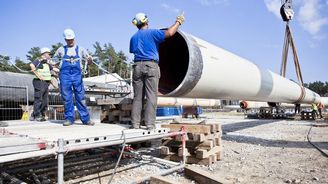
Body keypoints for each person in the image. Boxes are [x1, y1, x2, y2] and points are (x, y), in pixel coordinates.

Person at [129, 12, 185, 130]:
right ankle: (149, 125)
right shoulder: (153, 33)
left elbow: (133, 50)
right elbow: (170, 32)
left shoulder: (133, 37)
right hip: (151, 66)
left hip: (137, 67)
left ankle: (135, 124)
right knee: (151, 96)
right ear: (147, 22)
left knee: (137, 97)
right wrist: (178, 22)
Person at [53, 28, 94, 126]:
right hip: (65, 76)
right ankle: (69, 118)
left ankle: (86, 119)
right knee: (67, 98)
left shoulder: (81, 49)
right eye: (68, 40)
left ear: (74, 38)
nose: (70, 41)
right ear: (65, 40)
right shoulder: (61, 50)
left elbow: (90, 62)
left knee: (80, 97)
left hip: (77, 75)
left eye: (72, 39)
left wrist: (90, 60)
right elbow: (53, 62)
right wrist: (53, 66)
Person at [30, 47, 59, 121]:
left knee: (45, 101)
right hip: (39, 82)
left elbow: (53, 69)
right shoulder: (39, 60)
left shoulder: (47, 63)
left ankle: (39, 114)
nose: (50, 56)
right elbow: (31, 65)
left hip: (46, 83)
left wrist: (64, 69)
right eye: (49, 54)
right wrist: (38, 75)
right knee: (38, 99)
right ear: (44, 54)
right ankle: (37, 115)